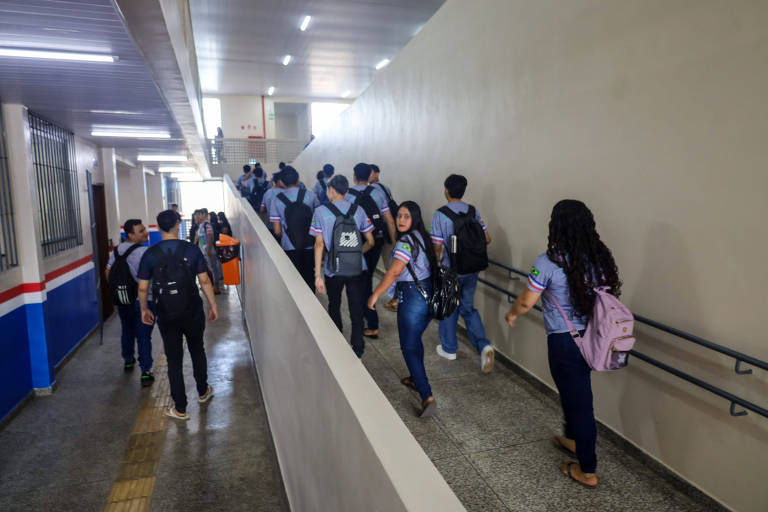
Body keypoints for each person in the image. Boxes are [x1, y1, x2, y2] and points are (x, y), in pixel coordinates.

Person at [503, 200, 622, 489]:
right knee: (574, 394)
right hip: (595, 338)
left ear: (556, 225)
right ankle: (572, 439)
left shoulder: (547, 262)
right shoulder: (599, 259)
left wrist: (512, 313)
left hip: (565, 343)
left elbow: (527, 300)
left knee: (580, 404)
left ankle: (588, 469)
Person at [138, 210, 218, 421]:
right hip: (192, 310)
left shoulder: (150, 254)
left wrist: (144, 309)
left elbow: (143, 289)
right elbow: (205, 281)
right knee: (197, 350)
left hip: (165, 312)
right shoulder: (191, 250)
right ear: (177, 224)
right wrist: (213, 305)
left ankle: (180, 408)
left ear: (158, 227)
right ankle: (203, 391)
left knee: (173, 359)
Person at [368, 201, 437, 417]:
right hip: (428, 294)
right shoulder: (422, 237)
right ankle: (416, 379)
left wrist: (376, 293)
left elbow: (395, 271)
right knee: (414, 341)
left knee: (408, 346)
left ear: (414, 218)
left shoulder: (406, 242)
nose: (401, 220)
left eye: (406, 216)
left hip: (412, 296)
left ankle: (427, 396)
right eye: (399, 216)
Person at [430, 174, 494, 372]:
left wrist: (435, 270)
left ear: (446, 190)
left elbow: (437, 247)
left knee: (449, 308)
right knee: (467, 308)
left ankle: (449, 348)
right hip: (471, 269)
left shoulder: (440, 214)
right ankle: (484, 346)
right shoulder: (473, 211)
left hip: (451, 270)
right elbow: (487, 239)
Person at [310, 175, 375, 357]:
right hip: (357, 269)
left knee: (334, 304)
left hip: (333, 268)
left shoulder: (320, 211)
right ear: (346, 192)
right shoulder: (359, 210)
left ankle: (337, 343)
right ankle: (358, 348)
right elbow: (370, 241)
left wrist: (317, 275)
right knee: (356, 308)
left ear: (331, 190)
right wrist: (355, 254)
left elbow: (319, 245)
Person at [346, 163, 396, 339]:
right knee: (367, 279)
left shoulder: (347, 195)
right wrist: (394, 241)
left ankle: (367, 322)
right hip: (376, 241)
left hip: (354, 242)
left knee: (358, 281)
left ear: (354, 176)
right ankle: (370, 321)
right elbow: (389, 220)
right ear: (369, 177)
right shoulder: (378, 193)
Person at [105, 219, 155, 386]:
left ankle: (128, 360)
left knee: (127, 329)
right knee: (143, 335)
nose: (145, 232)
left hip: (122, 299)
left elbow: (108, 271)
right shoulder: (144, 252)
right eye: (141, 231)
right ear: (131, 235)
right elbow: (150, 278)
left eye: (144, 229)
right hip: (143, 300)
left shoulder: (117, 251)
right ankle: (146, 371)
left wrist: (118, 290)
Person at [270, 166, 320, 290]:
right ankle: (311, 304)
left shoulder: (276, 200)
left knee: (293, 279)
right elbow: (318, 220)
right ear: (298, 179)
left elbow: (277, 230)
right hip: (310, 245)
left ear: (281, 182)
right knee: (309, 276)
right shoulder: (311, 196)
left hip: (290, 247)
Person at [369, 164, 399, 312]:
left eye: (371, 172)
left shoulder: (374, 190)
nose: (369, 175)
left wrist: (393, 240)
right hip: (389, 232)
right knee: (391, 266)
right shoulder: (385, 188)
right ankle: (396, 298)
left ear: (376, 173)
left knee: (390, 268)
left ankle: (396, 299)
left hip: (384, 233)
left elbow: (387, 218)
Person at [196, 209, 221, 294]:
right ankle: (210, 286)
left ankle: (216, 287)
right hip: (203, 252)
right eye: (197, 215)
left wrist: (210, 250)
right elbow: (199, 239)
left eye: (199, 215)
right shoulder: (200, 225)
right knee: (207, 269)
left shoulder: (207, 225)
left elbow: (210, 237)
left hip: (209, 251)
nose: (198, 216)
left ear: (204, 215)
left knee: (213, 269)